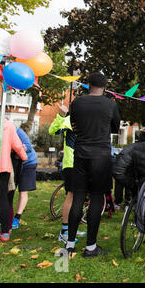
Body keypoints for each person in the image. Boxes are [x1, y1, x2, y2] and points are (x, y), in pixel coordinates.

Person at [66, 72, 121, 257]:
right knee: (97, 198)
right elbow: (115, 127)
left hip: (80, 153)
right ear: (105, 87)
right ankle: (90, 247)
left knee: (78, 197)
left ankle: (70, 244)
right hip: (101, 155)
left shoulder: (77, 102)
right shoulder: (110, 104)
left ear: (88, 84)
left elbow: (73, 123)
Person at [0, 99, 27, 241]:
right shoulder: (8, 125)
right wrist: (24, 157)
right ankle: (4, 232)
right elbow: (17, 144)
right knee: (2, 198)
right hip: (2, 166)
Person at [49, 103, 86, 244]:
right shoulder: (68, 120)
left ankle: (72, 228)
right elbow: (52, 131)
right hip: (71, 164)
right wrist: (61, 115)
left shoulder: (86, 121)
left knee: (78, 197)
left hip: (82, 163)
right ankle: (64, 232)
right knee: (71, 195)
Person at [11, 123, 37, 229]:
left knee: (23, 191)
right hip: (16, 163)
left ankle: (17, 218)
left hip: (28, 163)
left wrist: (17, 151)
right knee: (11, 189)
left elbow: (29, 148)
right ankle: (1, 216)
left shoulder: (18, 132)